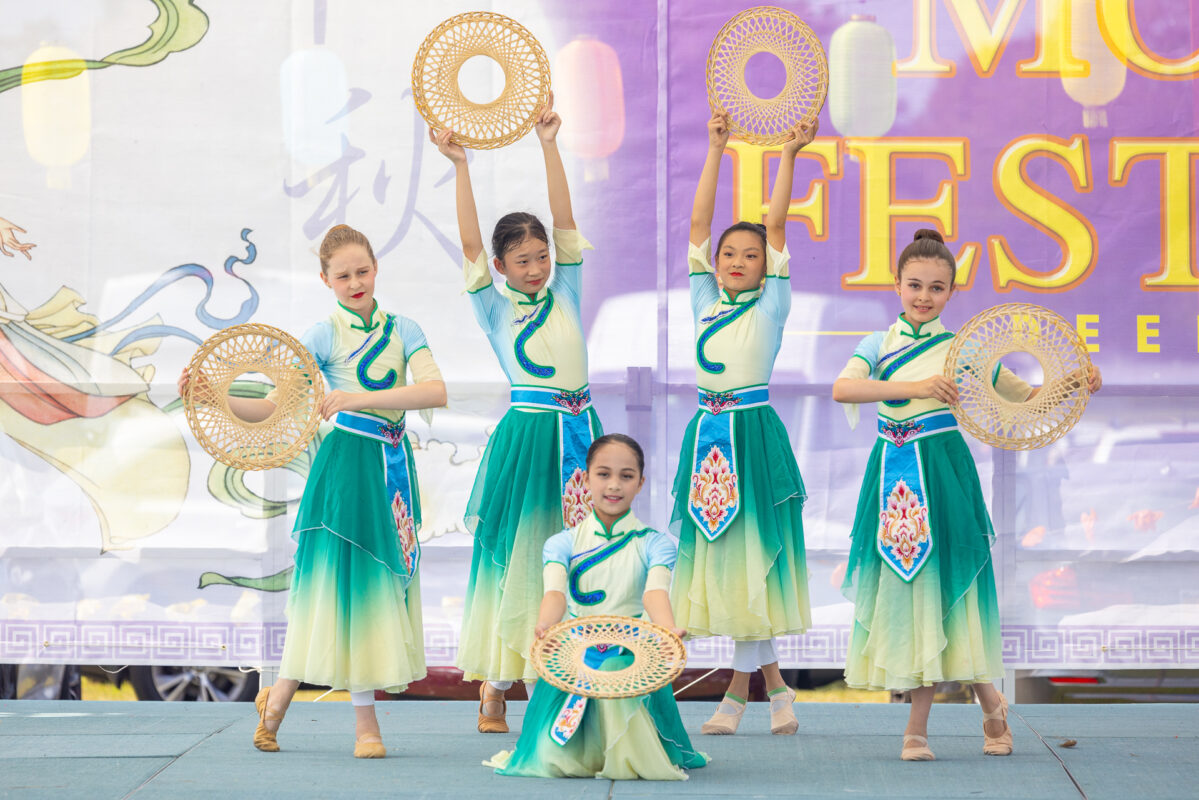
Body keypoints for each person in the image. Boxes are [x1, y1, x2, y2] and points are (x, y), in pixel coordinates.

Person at [832, 229, 1103, 761]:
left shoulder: (964, 349)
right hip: (892, 478)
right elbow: (844, 388)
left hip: (945, 477)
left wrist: (1075, 383)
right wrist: (916, 387)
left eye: (936, 288)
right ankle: (988, 705)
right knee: (911, 595)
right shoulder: (877, 345)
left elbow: (1026, 397)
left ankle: (926, 725)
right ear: (897, 284)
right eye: (914, 285)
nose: (923, 296)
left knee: (950, 590)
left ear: (952, 292)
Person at [179, 224, 446, 758]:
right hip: (343, 472)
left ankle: (276, 701)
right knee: (340, 594)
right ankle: (364, 727)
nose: (354, 282)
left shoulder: (405, 328)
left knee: (369, 594)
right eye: (342, 275)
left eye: (362, 271)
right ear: (324, 279)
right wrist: (211, 396)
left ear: (376, 269)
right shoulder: (323, 335)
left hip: (392, 471)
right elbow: (279, 409)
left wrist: (355, 398)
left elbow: (435, 390)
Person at [431, 93, 601, 733]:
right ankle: (497, 686)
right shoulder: (494, 306)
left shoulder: (568, 290)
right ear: (501, 269)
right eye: (522, 261)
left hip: (580, 436)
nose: (535, 267)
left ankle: (566, 679)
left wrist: (549, 143)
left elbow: (564, 221)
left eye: (541, 259)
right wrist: (460, 166)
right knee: (520, 556)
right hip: (527, 440)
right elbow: (470, 240)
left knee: (576, 556)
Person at [671, 112, 816, 736]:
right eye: (729, 253)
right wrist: (715, 145)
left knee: (748, 564)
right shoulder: (705, 300)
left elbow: (778, 223)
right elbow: (699, 223)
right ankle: (776, 692)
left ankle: (737, 698)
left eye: (750, 255)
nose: (735, 260)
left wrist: (788, 155)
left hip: (752, 439)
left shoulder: (773, 306)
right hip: (707, 443)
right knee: (730, 570)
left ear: (766, 267)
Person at [488, 433, 707, 780]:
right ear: (585, 477)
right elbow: (555, 593)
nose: (614, 485)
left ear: (641, 483)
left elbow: (655, 593)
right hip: (575, 657)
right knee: (548, 760)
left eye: (626, 476)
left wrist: (667, 628)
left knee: (635, 756)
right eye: (603, 474)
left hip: (633, 658)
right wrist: (546, 625)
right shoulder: (562, 542)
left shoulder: (655, 543)